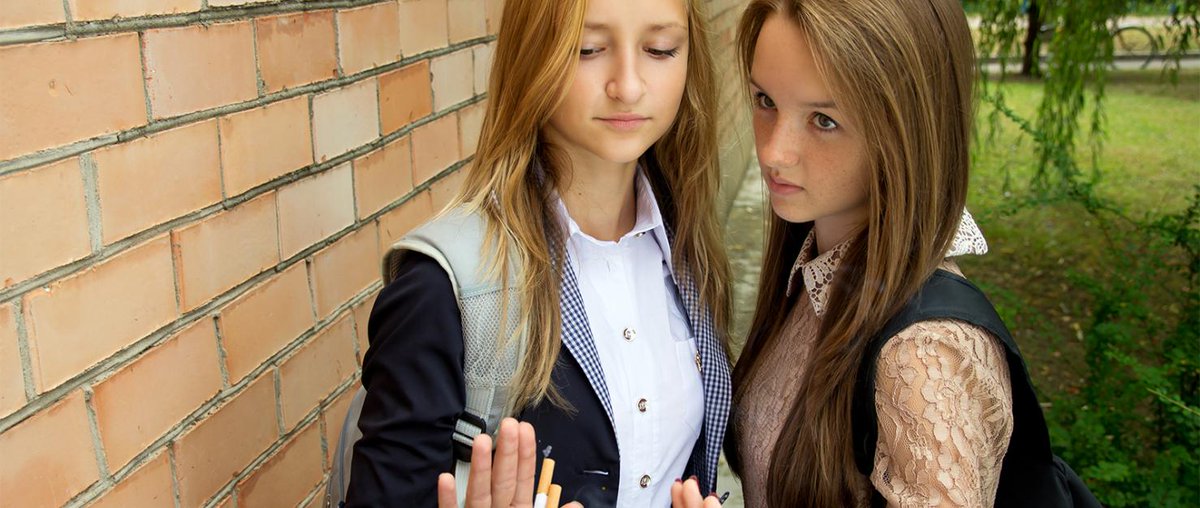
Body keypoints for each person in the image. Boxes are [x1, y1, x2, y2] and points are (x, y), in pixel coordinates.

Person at [343, 0, 733, 505]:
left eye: (660, 50)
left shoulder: (688, 249)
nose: (629, 86)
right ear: (534, 55)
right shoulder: (446, 290)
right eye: (588, 49)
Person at [682, 0, 1006, 506]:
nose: (772, 152)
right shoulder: (816, 267)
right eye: (765, 100)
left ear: (907, 130)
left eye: (823, 120)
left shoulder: (923, 360)